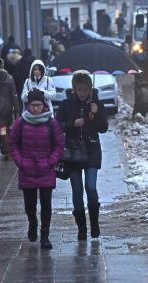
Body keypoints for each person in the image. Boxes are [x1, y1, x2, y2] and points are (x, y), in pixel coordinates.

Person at [56, 72, 108, 240]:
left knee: (90, 187)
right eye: (80, 89)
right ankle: (81, 228)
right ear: (74, 89)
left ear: (90, 89)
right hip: (73, 153)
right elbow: (57, 127)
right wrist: (73, 124)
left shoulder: (96, 103)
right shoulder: (65, 105)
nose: (83, 93)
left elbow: (103, 128)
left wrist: (96, 113)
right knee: (77, 191)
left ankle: (94, 223)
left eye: (86, 89)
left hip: (92, 150)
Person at [9, 90, 64, 249]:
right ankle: (32, 223)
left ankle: (45, 235)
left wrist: (50, 161)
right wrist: (21, 162)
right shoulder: (21, 122)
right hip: (27, 170)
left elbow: (59, 145)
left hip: (46, 169)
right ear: (28, 105)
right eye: (33, 105)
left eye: (39, 105)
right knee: (30, 205)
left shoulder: (51, 122)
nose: (36, 108)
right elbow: (13, 144)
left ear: (44, 105)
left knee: (46, 203)